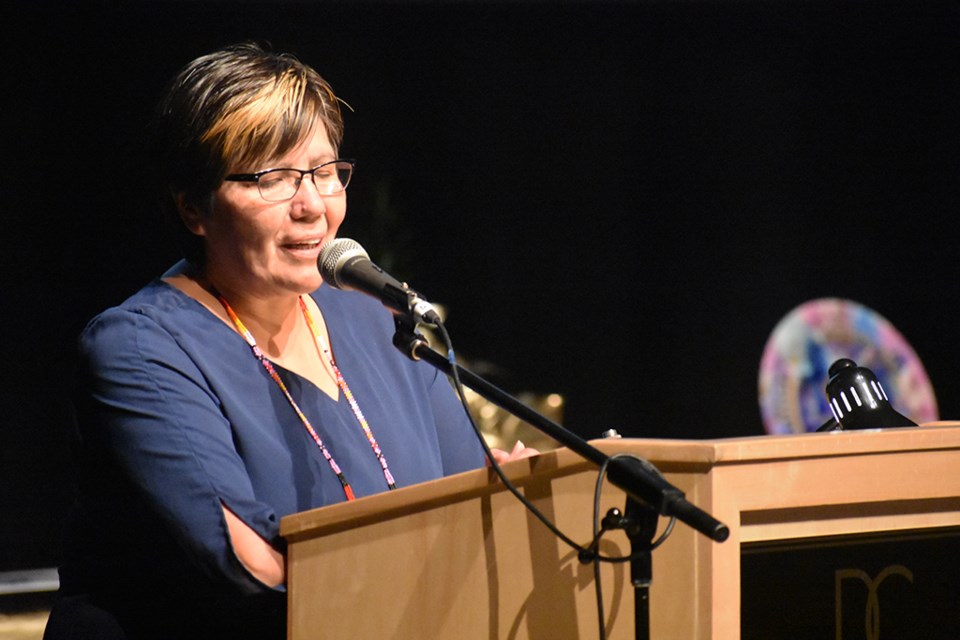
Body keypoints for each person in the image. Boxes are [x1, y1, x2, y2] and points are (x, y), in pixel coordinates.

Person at [44, 43, 535, 640]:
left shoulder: (382, 324)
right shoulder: (141, 351)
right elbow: (247, 568)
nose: (311, 206)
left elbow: (469, 505)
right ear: (194, 207)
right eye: (272, 178)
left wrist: (518, 504)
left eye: (326, 172)